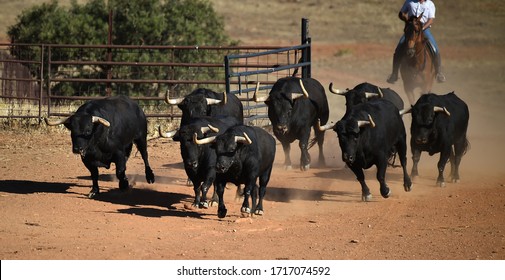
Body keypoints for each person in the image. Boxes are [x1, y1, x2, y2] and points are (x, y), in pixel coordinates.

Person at [387, 0, 446, 84]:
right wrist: (405, 18)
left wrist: (422, 28)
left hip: (424, 29)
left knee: (435, 48)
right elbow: (401, 14)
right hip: (411, 30)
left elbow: (431, 20)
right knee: (399, 48)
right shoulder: (409, 2)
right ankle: (394, 74)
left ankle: (439, 73)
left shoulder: (430, 4)